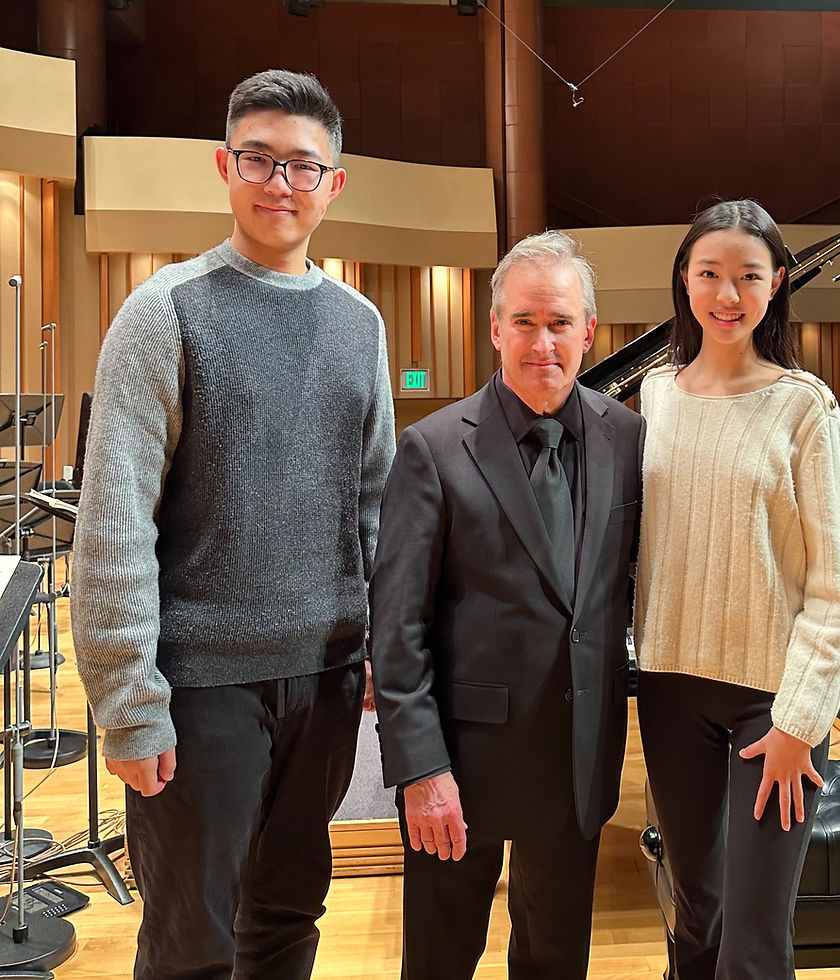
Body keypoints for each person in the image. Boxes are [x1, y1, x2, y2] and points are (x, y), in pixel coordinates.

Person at [71, 69, 395, 980]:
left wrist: (380, 644)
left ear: (334, 183)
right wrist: (128, 704)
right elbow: (114, 523)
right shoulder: (164, 312)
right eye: (260, 158)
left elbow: (374, 503)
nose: (280, 183)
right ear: (225, 164)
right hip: (200, 687)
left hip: (326, 682)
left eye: (303, 165)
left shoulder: (360, 325)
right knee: (191, 943)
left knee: (289, 919)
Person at [370, 230, 644, 980]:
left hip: (578, 753)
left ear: (589, 331)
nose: (542, 341)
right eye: (524, 321)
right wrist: (421, 770)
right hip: (462, 762)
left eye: (559, 322)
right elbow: (397, 630)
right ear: (494, 328)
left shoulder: (627, 437)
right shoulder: (432, 448)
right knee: (440, 958)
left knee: (556, 958)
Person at [634, 199, 840, 980]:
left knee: (754, 944)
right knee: (695, 921)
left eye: (748, 277)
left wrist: (799, 721)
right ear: (685, 283)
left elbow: (832, 592)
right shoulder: (655, 395)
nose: (728, 295)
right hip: (669, 689)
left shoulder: (803, 405)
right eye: (710, 275)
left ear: (777, 285)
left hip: (772, 703)